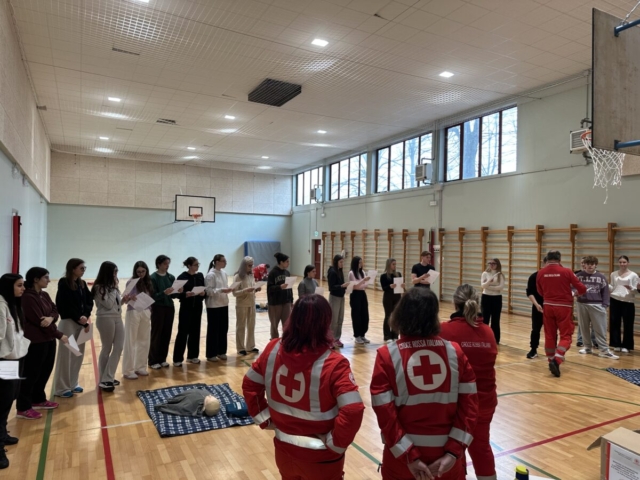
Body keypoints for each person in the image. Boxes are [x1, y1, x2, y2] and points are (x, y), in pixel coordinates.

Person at [242, 294, 365, 480]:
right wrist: (336, 443)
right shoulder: (335, 364)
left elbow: (250, 384)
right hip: (322, 460)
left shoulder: (272, 349)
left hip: (284, 453)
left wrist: (264, 419)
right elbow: (353, 410)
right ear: (325, 322)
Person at [370, 288, 478, 480]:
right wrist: (453, 453)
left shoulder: (387, 356)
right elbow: (470, 408)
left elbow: (385, 413)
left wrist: (409, 456)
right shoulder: (455, 353)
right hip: (446, 464)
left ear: (400, 314)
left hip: (402, 463)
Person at [440, 285, 497, 480]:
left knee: (453, 450)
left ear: (454, 303)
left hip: (458, 405)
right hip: (485, 401)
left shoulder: (444, 330)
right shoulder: (488, 332)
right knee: (481, 447)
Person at [17, 268, 68, 419]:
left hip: (48, 340)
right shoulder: (27, 297)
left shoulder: (44, 295)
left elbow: (55, 310)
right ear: (35, 279)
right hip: (35, 342)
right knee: (31, 374)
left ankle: (38, 399)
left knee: (44, 371)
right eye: (46, 277)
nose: (49, 280)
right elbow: (39, 321)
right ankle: (23, 407)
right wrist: (59, 335)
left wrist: (51, 318)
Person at [536, 250, 586, 377]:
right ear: (559, 259)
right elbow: (582, 288)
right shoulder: (567, 271)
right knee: (566, 335)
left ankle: (550, 360)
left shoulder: (540, 272)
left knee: (549, 335)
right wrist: (577, 293)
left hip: (548, 305)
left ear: (547, 259)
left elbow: (540, 291)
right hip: (564, 307)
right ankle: (557, 359)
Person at [0, 274, 30, 469]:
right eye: (19, 285)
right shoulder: (0, 305)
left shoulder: (13, 305)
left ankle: (2, 434)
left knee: (9, 399)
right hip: (3, 361)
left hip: (14, 359)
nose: (23, 289)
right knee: (1, 402)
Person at [54, 258, 93, 397]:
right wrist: (78, 318)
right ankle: (61, 388)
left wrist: (85, 316)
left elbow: (89, 301)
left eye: (84, 268)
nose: (83, 270)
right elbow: (64, 304)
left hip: (81, 323)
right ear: (72, 269)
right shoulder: (64, 283)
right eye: (81, 268)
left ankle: (72, 383)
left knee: (77, 354)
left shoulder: (82, 283)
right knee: (67, 355)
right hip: (68, 323)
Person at [92, 262, 128, 392]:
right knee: (106, 348)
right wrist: (113, 288)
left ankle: (108, 377)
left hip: (117, 317)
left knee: (119, 347)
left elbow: (115, 304)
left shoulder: (113, 287)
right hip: (105, 319)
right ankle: (104, 379)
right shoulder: (99, 287)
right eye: (114, 271)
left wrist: (124, 301)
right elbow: (107, 304)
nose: (116, 274)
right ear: (108, 272)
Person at [576, 257, 618, 360]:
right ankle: (587, 347)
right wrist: (575, 293)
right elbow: (572, 287)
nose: (590, 266)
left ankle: (604, 350)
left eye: (592, 264)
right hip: (582, 304)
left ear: (596, 265)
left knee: (600, 328)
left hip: (597, 305)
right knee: (584, 327)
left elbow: (605, 292)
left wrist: (605, 305)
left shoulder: (601, 277)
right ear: (584, 265)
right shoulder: (578, 276)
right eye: (588, 264)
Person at [149, 255, 181, 370]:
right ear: (159, 264)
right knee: (156, 334)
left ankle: (162, 359)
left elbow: (174, 295)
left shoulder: (171, 277)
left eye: (168, 264)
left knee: (166, 334)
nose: (167, 266)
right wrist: (163, 293)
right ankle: (153, 360)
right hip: (158, 308)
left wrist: (179, 291)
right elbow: (152, 296)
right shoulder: (153, 278)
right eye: (165, 264)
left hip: (169, 308)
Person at [122, 261, 153, 380]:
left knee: (144, 340)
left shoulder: (148, 281)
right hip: (133, 311)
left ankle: (140, 367)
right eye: (138, 272)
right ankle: (128, 370)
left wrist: (149, 311)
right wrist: (130, 297)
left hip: (146, 311)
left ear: (146, 271)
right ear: (135, 272)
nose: (141, 274)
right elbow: (125, 299)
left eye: (143, 271)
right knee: (131, 341)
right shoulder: (131, 282)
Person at [173, 257, 206, 367]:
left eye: (198, 264)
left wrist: (203, 294)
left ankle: (192, 356)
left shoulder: (200, 276)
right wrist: (184, 294)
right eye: (195, 264)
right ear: (189, 266)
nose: (197, 266)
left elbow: (204, 290)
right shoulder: (182, 277)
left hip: (197, 307)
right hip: (186, 307)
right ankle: (177, 359)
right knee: (183, 332)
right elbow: (176, 293)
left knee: (195, 331)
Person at [205, 254, 233, 362]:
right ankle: (211, 353)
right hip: (213, 306)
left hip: (224, 304)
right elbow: (209, 291)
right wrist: (221, 290)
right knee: (213, 330)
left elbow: (224, 288)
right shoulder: (210, 275)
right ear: (217, 262)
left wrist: (229, 289)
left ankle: (221, 351)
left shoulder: (224, 273)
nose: (225, 263)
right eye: (223, 261)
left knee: (223, 329)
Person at [609, 255, 638, 353]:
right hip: (615, 299)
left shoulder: (633, 275)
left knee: (628, 324)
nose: (622, 264)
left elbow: (636, 290)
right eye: (620, 262)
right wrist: (606, 286)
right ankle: (616, 343)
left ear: (628, 263)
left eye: (624, 262)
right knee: (614, 322)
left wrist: (631, 288)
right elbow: (612, 286)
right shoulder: (613, 274)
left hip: (628, 301)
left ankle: (627, 345)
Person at [233, 256, 261, 356]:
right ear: (244, 265)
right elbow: (234, 293)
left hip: (252, 303)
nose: (251, 267)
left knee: (251, 326)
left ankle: (250, 346)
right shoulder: (237, 277)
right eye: (249, 265)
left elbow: (252, 288)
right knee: (241, 326)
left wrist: (256, 289)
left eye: (252, 265)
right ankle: (240, 348)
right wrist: (245, 290)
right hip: (242, 305)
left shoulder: (251, 275)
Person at [267, 253, 293, 340]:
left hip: (286, 302)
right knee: (274, 325)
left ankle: (286, 341)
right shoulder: (272, 273)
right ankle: (273, 341)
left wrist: (291, 300)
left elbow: (290, 288)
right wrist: (279, 287)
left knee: (287, 324)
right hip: (275, 303)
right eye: (287, 262)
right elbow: (269, 288)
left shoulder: (287, 273)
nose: (288, 263)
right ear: (281, 262)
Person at [525, 257, 546, 359]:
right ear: (544, 263)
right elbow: (530, 292)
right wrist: (536, 304)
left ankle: (553, 350)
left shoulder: (556, 277)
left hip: (551, 307)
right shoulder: (534, 276)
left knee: (552, 330)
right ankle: (533, 349)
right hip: (538, 306)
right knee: (535, 329)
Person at [480, 258, 505, 344]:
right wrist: (489, 282)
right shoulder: (485, 273)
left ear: (497, 264)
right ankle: (483, 338)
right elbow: (483, 286)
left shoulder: (500, 275)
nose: (491, 265)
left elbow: (500, 287)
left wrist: (489, 286)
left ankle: (495, 339)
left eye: (493, 263)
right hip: (486, 297)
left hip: (496, 298)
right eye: (490, 263)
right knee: (485, 319)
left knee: (495, 320)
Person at [327, 255, 349, 349]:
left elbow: (341, 284)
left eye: (343, 262)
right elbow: (331, 287)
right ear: (336, 262)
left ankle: (337, 338)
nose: (342, 264)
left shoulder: (340, 271)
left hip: (341, 297)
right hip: (334, 297)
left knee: (340, 319)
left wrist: (346, 288)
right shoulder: (332, 272)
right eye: (341, 262)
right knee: (334, 320)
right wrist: (341, 286)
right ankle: (330, 339)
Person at [380, 258, 404, 342]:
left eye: (395, 264)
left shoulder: (398, 274)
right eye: (393, 264)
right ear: (389, 265)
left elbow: (401, 286)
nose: (394, 266)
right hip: (388, 297)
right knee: (388, 316)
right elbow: (384, 288)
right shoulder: (384, 276)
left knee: (396, 316)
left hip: (397, 296)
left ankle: (395, 335)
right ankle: (387, 336)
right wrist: (390, 286)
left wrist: (402, 286)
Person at [349, 256, 371, 345]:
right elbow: (355, 286)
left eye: (361, 262)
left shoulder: (363, 272)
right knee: (356, 315)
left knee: (365, 314)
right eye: (359, 262)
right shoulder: (351, 273)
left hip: (362, 294)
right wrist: (363, 281)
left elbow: (365, 285)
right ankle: (357, 335)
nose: (361, 264)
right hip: (355, 295)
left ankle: (362, 334)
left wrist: (366, 281)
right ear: (355, 263)